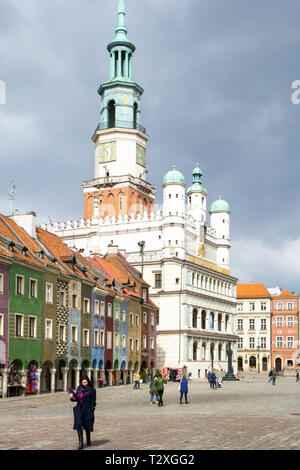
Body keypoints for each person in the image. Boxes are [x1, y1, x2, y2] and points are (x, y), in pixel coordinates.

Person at [68, 376, 96, 450]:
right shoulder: (79, 389)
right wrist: (71, 397)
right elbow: (76, 399)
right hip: (79, 408)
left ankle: (88, 440)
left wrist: (92, 410)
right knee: (79, 425)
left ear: (88, 381)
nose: (84, 384)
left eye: (86, 382)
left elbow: (93, 401)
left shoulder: (92, 390)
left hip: (88, 408)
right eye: (83, 382)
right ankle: (80, 443)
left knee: (87, 424)